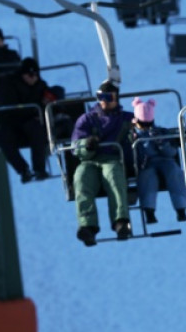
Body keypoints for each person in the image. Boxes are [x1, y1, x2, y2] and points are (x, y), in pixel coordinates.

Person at [71, 80, 135, 247]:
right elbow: (76, 145)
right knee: (81, 178)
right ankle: (88, 226)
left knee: (114, 177)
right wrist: (87, 145)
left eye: (108, 97)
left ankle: (121, 221)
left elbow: (144, 128)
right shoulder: (87, 119)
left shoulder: (126, 119)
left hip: (112, 158)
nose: (104, 101)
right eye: (101, 97)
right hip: (90, 160)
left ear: (116, 98)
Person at [0, 58, 57, 183]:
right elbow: (9, 107)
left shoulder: (41, 86)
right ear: (23, 74)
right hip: (12, 123)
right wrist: (33, 111)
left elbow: (45, 103)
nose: (33, 78)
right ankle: (23, 170)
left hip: (31, 123)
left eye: (35, 75)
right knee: (2, 137)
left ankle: (39, 169)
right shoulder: (10, 84)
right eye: (30, 75)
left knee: (36, 130)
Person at [129, 97, 186, 224]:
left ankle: (181, 208)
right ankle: (149, 211)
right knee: (148, 177)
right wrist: (134, 143)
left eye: (149, 124)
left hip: (165, 160)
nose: (146, 128)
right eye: (143, 124)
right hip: (147, 163)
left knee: (174, 172)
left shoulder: (161, 132)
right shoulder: (133, 135)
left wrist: (162, 143)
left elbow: (172, 152)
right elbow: (131, 156)